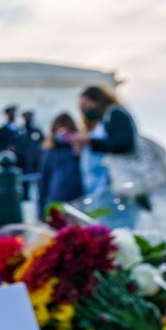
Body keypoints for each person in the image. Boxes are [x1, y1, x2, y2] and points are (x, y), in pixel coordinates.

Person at [69, 85, 139, 228]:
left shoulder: (115, 114)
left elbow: (124, 143)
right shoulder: (100, 122)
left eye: (87, 105)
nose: (86, 110)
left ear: (98, 100)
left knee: (119, 230)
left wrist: (91, 141)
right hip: (101, 191)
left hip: (117, 187)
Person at [38, 113, 84, 209]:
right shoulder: (49, 152)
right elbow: (44, 180)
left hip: (78, 199)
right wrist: (41, 209)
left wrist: (77, 150)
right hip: (56, 200)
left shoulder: (79, 148)